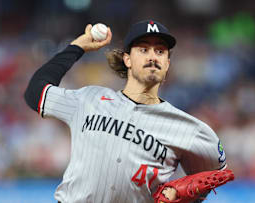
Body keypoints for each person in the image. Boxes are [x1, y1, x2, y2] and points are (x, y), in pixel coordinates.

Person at [24, 20, 233, 203]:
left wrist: (181, 197)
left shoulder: (189, 129)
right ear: (127, 60)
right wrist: (77, 47)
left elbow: (215, 176)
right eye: (143, 49)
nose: (153, 56)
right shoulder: (89, 99)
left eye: (160, 51)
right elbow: (35, 94)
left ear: (167, 63)